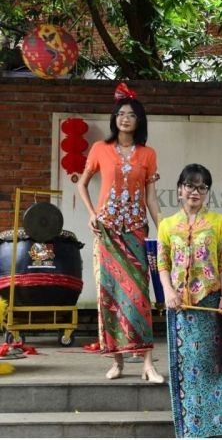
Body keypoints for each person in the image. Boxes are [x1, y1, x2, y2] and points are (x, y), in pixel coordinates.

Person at [77, 83, 163, 383]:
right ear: (114, 119)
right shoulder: (100, 148)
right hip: (107, 231)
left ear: (139, 121)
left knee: (140, 296)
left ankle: (148, 363)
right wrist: (91, 214)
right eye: (121, 114)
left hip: (136, 231)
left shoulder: (148, 153)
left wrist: (163, 229)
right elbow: (82, 183)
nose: (125, 119)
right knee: (110, 295)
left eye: (131, 115)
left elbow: (151, 197)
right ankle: (117, 361)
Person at [157, 164, 222, 438]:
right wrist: (168, 292)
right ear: (179, 190)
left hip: (208, 301)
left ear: (207, 192)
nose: (195, 191)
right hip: (178, 304)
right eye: (190, 185)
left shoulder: (218, 222)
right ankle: (189, 429)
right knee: (185, 366)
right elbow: (162, 264)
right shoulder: (167, 225)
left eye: (202, 187)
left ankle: (214, 427)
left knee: (210, 365)